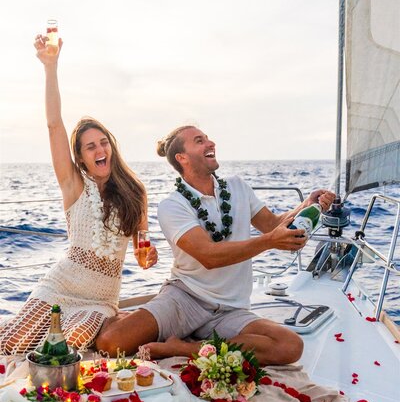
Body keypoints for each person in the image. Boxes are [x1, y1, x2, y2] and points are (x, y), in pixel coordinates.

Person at [97, 125, 335, 365]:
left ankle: (183, 348)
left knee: (289, 346)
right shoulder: (172, 205)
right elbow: (209, 256)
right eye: (200, 141)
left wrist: (306, 205)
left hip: (231, 309)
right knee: (110, 343)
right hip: (186, 299)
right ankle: (158, 325)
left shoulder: (237, 187)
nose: (211, 143)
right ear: (182, 158)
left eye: (208, 138)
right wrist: (269, 242)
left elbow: (272, 224)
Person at [0, 35, 157, 355]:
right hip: (59, 285)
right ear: (81, 157)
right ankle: (16, 326)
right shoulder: (73, 184)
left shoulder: (135, 192)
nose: (100, 149)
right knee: (11, 344)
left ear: (111, 146)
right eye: (90, 146)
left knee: (66, 347)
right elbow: (54, 124)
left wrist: (147, 256)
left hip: (99, 300)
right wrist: (50, 66)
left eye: (104, 142)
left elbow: (142, 251)